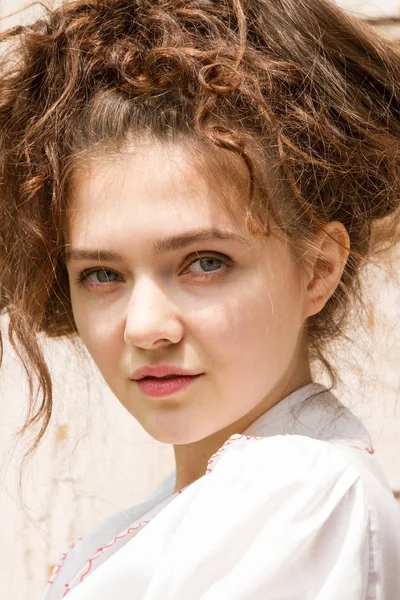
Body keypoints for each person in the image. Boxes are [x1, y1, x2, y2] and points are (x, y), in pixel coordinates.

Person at [0, 0, 400, 597]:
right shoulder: (185, 516)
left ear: (318, 269)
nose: (145, 327)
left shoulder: (304, 497)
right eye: (101, 274)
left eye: (205, 263)